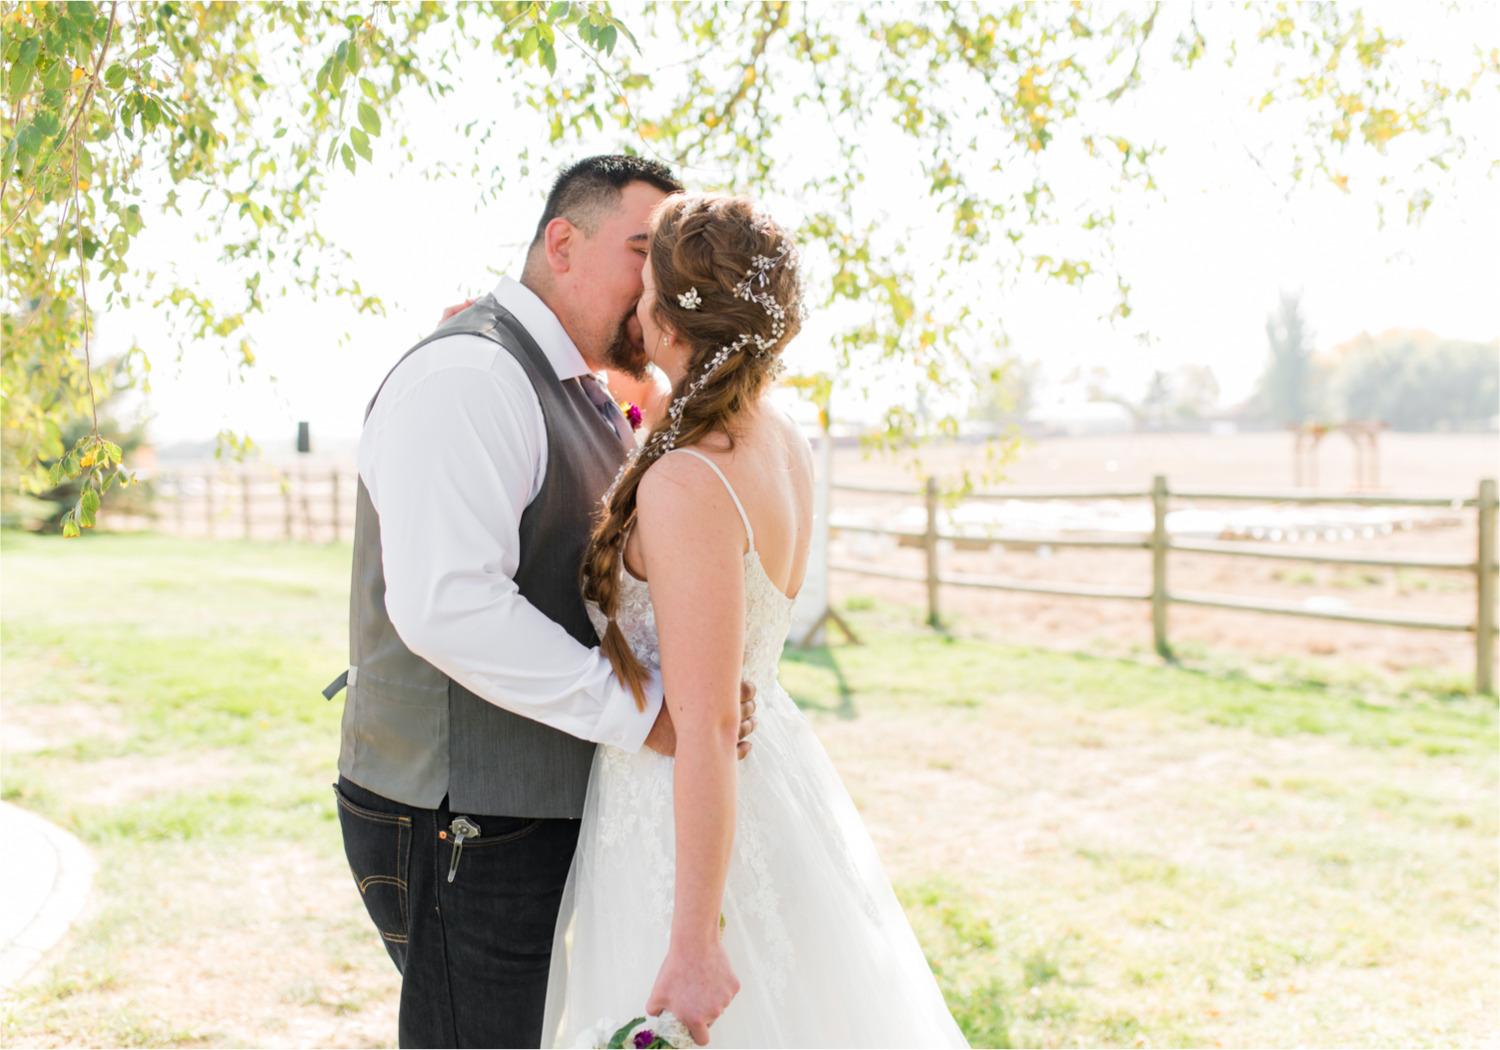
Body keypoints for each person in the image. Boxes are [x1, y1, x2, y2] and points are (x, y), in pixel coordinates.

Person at [328, 156, 758, 1049]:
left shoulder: (574, 385)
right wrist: (647, 711)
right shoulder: (472, 377)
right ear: (562, 243)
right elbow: (449, 607)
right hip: (458, 811)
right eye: (643, 252)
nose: (662, 283)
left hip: (524, 805)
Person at [541, 194, 968, 1048]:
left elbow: (703, 722)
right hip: (767, 773)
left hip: (684, 814)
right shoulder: (777, 440)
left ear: (670, 319)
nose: (635, 308)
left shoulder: (689, 480)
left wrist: (695, 940)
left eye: (645, 290)